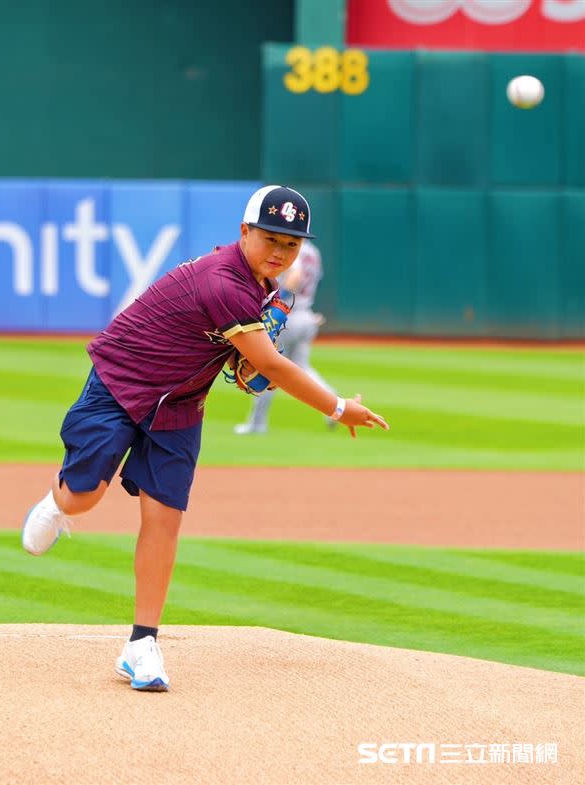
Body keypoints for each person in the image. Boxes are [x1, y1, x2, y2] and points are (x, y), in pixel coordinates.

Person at [20, 185, 389, 692]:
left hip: (180, 404)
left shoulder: (264, 288)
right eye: (271, 238)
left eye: (292, 243)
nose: (281, 251)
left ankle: (142, 645)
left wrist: (242, 364)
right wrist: (339, 407)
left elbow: (242, 371)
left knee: (164, 518)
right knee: (84, 497)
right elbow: (268, 366)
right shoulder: (226, 284)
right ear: (244, 232)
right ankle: (57, 501)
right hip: (121, 383)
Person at [234, 239, 336, 434]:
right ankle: (332, 401)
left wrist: (278, 301)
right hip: (306, 315)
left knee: (266, 366)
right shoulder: (314, 252)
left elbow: (295, 276)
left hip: (287, 316)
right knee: (302, 367)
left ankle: (257, 424)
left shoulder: (292, 250)